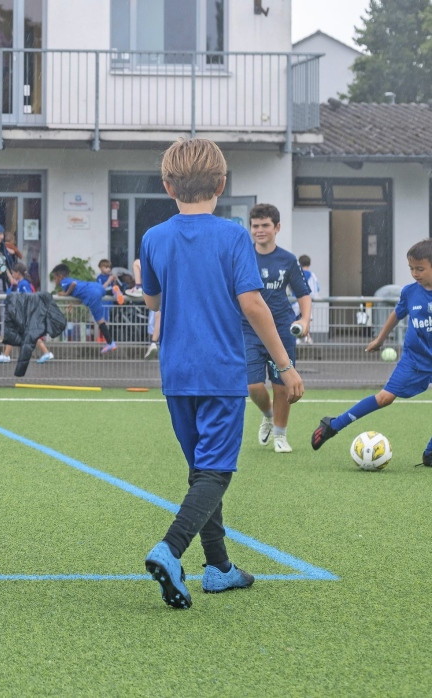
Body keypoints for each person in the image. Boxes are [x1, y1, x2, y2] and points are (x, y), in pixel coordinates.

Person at [139, 137, 303, 610]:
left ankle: (219, 568)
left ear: (167, 185)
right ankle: (170, 549)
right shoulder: (233, 235)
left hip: (177, 373)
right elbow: (252, 303)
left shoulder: (153, 238)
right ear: (222, 183)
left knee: (201, 471)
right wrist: (286, 365)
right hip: (220, 371)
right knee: (215, 472)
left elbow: (153, 301)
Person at [312, 240, 432, 463]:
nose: (414, 273)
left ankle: (430, 453)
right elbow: (397, 314)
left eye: (420, 268)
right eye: (411, 268)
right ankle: (333, 425)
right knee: (385, 397)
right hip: (414, 359)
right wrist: (380, 338)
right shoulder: (410, 292)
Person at [246, 204, 311, 454]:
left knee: (282, 385)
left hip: (282, 328)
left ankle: (281, 436)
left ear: (277, 228)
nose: (259, 230)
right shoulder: (243, 256)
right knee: (253, 386)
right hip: (249, 329)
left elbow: (303, 294)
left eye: (265, 225)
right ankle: (268, 414)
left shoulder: (287, 260)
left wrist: (304, 320)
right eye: (255, 226)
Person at [49, 264, 119, 354]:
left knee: (100, 321)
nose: (55, 280)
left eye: (55, 278)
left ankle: (110, 343)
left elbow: (73, 285)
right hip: (96, 287)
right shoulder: (71, 280)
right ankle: (113, 290)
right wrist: (72, 304)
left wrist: (66, 293)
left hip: (92, 295)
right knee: (102, 298)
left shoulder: (64, 281)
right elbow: (80, 295)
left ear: (60, 276)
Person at [0, 260, 52, 364]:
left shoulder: (24, 284)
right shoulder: (18, 284)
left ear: (18, 273)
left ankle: (6, 356)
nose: (12, 274)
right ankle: (46, 353)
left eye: (13, 272)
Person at [130, 258, 162, 359]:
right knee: (157, 315)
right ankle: (153, 342)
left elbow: (137, 263)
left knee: (158, 315)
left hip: (159, 289)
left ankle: (153, 342)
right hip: (162, 287)